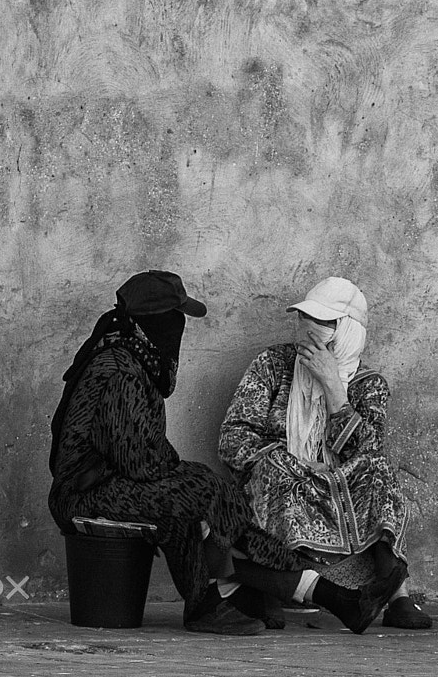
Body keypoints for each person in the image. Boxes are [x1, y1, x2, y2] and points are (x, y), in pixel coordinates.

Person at [48, 270, 404, 635]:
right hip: (86, 494)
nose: (178, 328)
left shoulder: (131, 361)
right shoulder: (118, 370)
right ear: (154, 322)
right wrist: (192, 476)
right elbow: (139, 461)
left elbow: (369, 456)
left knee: (202, 493)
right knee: (197, 493)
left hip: (111, 482)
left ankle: (302, 596)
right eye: (175, 319)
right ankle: (240, 599)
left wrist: (333, 391)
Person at [219, 276, 432, 629]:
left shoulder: (369, 385)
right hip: (282, 490)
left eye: (322, 322)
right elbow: (233, 438)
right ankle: (299, 582)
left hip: (341, 497)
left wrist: (334, 388)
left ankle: (396, 593)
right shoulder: (272, 365)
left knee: (377, 468)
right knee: (276, 467)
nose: (306, 329)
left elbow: (367, 452)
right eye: (304, 318)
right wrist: (297, 465)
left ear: (347, 331)